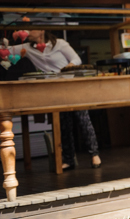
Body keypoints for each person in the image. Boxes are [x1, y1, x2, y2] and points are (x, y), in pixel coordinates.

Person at [11, 30, 100, 170]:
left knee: (83, 120)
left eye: (31, 29)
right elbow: (7, 51)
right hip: (55, 92)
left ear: (41, 32)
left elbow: (76, 59)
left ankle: (94, 155)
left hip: (71, 87)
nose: (27, 32)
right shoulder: (27, 48)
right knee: (64, 125)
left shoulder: (60, 44)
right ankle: (69, 159)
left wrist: (68, 67)